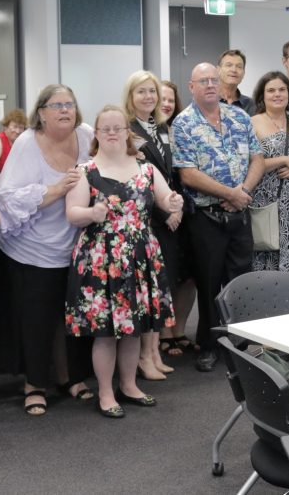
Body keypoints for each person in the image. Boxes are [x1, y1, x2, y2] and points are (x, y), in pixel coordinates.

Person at [65, 105, 183, 418]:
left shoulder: (145, 168)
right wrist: (91, 213)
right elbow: (72, 213)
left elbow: (165, 199)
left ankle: (129, 385)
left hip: (140, 257)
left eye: (119, 127)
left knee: (134, 328)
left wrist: (174, 202)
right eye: (107, 128)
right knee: (105, 332)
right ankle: (105, 392)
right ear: (97, 134)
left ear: (127, 133)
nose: (114, 133)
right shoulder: (85, 170)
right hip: (101, 258)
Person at [0, 84, 94, 415]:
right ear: (41, 112)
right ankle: (34, 384)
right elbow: (7, 197)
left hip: (75, 245)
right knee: (37, 320)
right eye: (57, 105)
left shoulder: (86, 134)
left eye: (70, 103)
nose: (65, 110)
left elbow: (110, 157)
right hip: (31, 248)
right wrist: (54, 190)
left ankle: (71, 377)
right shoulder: (27, 143)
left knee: (71, 318)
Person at [172, 63, 264, 372]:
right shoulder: (183, 124)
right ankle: (209, 345)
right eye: (203, 80)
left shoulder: (239, 117)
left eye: (214, 79)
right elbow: (187, 174)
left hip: (240, 212)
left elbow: (258, 158)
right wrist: (230, 194)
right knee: (209, 282)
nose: (211, 84)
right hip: (206, 218)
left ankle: (239, 345)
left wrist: (244, 191)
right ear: (192, 86)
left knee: (240, 282)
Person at [123, 71, 180, 380]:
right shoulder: (129, 130)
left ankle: (155, 351)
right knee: (148, 290)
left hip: (168, 214)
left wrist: (176, 206)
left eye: (152, 92)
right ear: (130, 96)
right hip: (147, 220)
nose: (148, 97)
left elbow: (169, 175)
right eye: (141, 92)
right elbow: (137, 181)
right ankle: (145, 355)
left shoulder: (161, 128)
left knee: (162, 288)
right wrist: (165, 213)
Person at [249, 71, 289, 276]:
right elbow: (247, 165)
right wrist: (284, 160)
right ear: (262, 95)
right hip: (266, 202)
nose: (277, 94)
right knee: (266, 257)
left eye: (282, 89)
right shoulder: (252, 123)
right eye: (271, 90)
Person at [156, 79, 197, 357]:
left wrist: (181, 208)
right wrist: (168, 210)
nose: (167, 104)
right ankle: (163, 333)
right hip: (160, 215)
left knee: (188, 275)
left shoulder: (179, 130)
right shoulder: (145, 135)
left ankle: (179, 330)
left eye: (171, 99)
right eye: (162, 99)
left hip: (188, 211)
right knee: (164, 277)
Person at [217, 49, 256, 115]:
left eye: (239, 66)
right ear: (218, 70)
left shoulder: (250, 105)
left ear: (243, 73)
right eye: (229, 65)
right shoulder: (206, 101)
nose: (234, 70)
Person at [0, 108, 28, 173]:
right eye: (15, 127)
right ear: (6, 126)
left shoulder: (21, 141)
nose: (18, 131)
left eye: (21, 127)